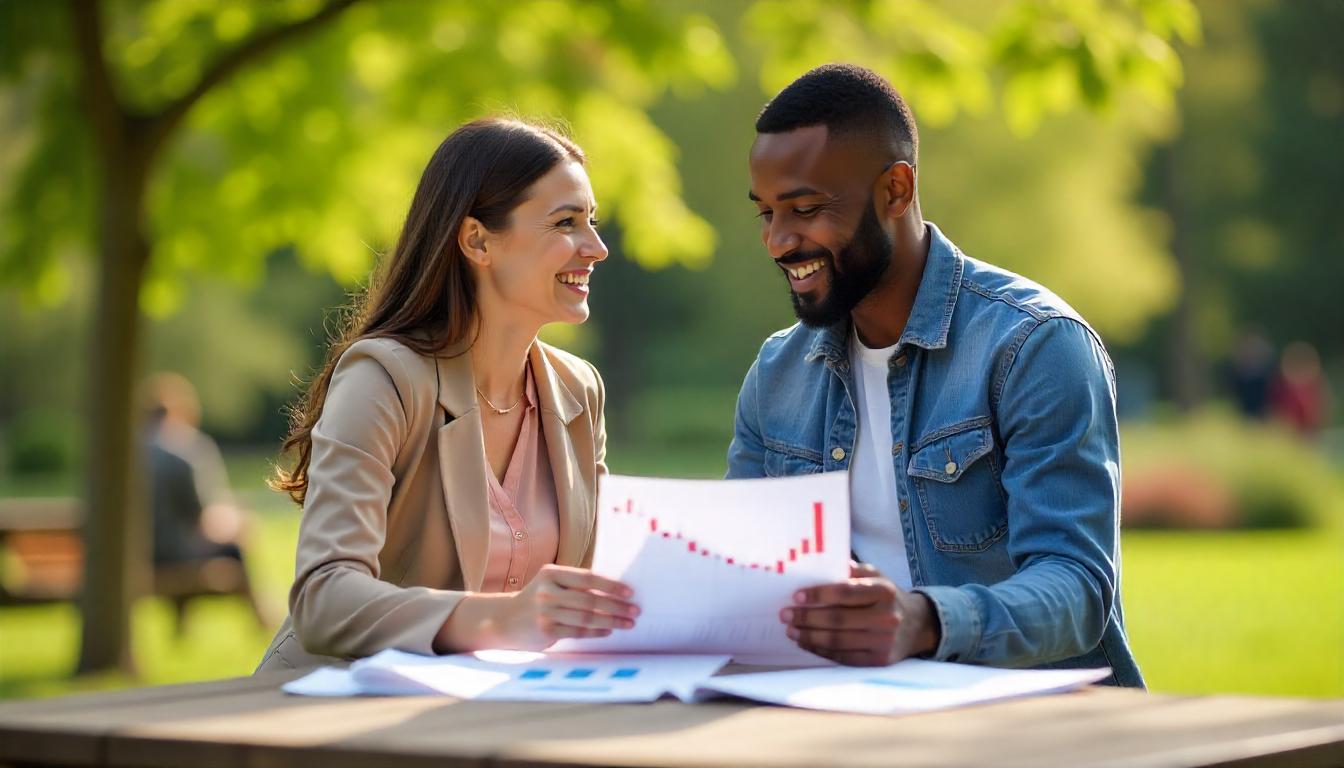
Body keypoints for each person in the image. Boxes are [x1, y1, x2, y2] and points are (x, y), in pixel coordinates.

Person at [728, 64, 1143, 686]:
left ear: (895, 190)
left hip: (1041, 731)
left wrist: (922, 621)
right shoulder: (777, 374)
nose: (778, 241)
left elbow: (1077, 589)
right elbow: (740, 574)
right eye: (765, 214)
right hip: (850, 722)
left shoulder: (1033, 345)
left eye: (806, 208)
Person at [256, 118, 637, 672]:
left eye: (592, 222)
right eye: (566, 223)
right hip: (334, 716)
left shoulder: (579, 390)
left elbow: (599, 580)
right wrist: (502, 618)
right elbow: (324, 596)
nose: (596, 248)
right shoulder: (383, 377)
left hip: (490, 713)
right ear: (477, 240)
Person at [142, 372, 269, 630]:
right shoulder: (182, 453)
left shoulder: (124, 452)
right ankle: (261, 615)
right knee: (234, 544)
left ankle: (182, 625)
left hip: (134, 555)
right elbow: (198, 516)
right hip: (172, 556)